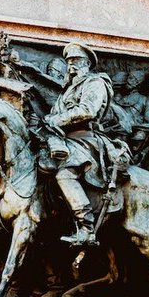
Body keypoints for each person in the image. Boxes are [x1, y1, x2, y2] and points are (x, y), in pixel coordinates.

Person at [40, 42, 119, 245]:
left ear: (86, 63)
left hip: (86, 139)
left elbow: (88, 110)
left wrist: (57, 120)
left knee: (65, 173)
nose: (71, 66)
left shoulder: (95, 82)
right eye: (69, 62)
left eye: (75, 61)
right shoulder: (68, 89)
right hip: (66, 140)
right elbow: (56, 113)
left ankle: (86, 226)